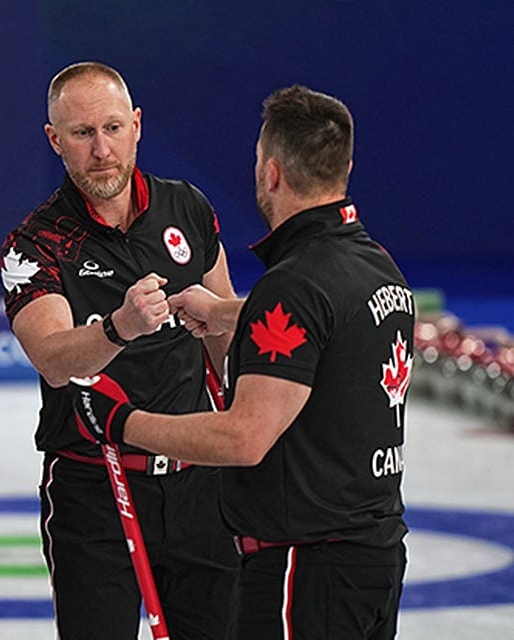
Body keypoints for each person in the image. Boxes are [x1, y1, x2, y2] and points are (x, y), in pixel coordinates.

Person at [71, 85, 411, 639]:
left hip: (303, 567)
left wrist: (121, 423)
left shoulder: (295, 284)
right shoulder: (377, 267)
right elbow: (329, 316)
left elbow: (243, 438)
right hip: (376, 557)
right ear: (343, 167)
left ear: (271, 173)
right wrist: (226, 311)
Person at [0, 61, 238, 640]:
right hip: (94, 489)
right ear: (55, 140)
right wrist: (119, 327)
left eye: (112, 128)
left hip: (198, 482)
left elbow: (228, 337)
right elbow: (53, 359)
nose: (101, 149)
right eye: (82, 134)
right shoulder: (34, 244)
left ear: (136, 125)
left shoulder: (187, 208)